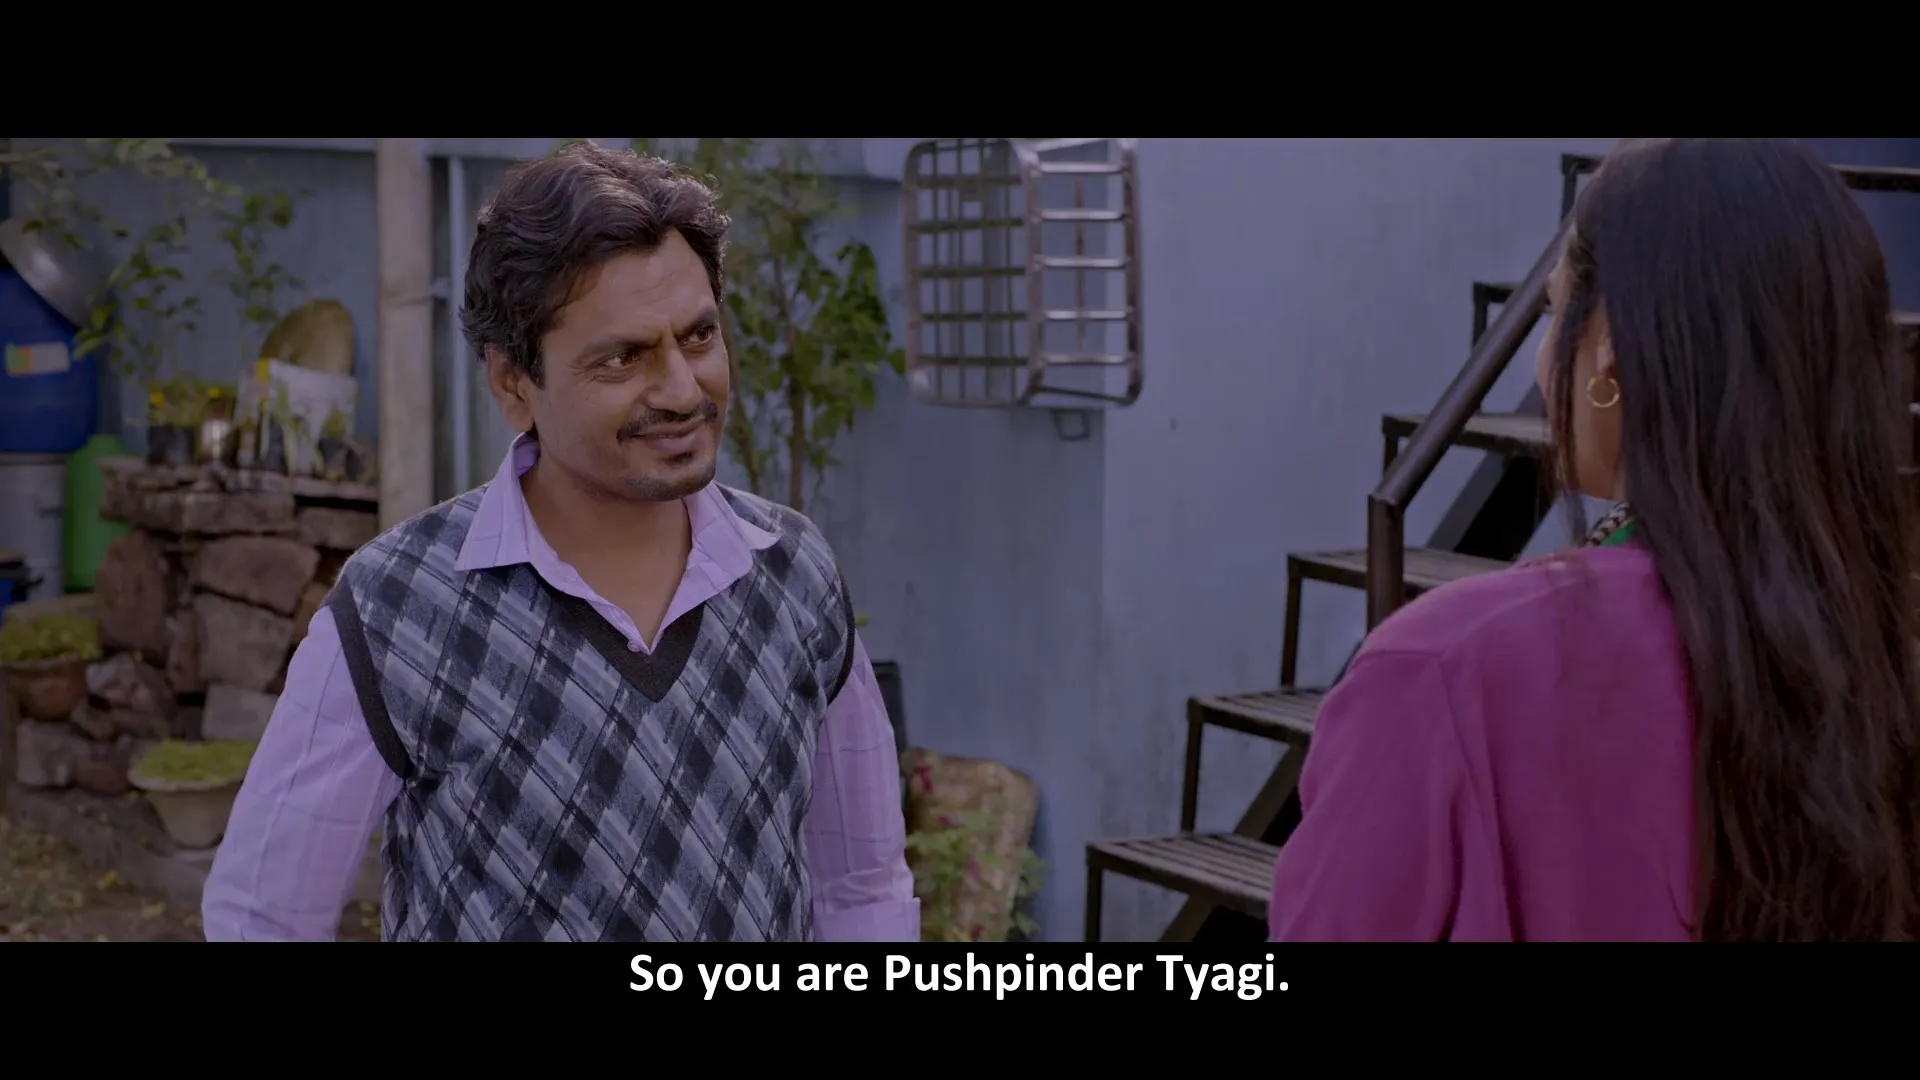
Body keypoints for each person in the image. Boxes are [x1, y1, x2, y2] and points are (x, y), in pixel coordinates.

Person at [203, 144, 918, 942]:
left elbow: (863, 887)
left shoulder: (794, 576)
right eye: (623, 357)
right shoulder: (399, 609)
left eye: (699, 337)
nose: (683, 389)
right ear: (513, 384)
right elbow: (263, 916)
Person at [1268, 138, 1920, 942]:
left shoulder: (1442, 666)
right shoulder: (1873, 668)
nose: (1544, 357)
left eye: (1552, 312)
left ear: (1607, 350)